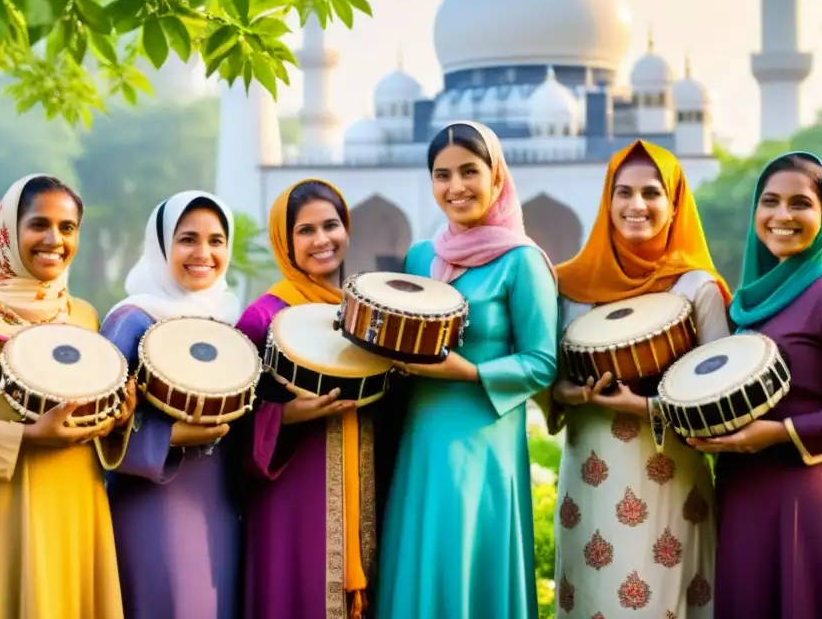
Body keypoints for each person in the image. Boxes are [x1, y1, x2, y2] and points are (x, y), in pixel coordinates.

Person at [688, 152, 822, 619]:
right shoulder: (755, 300)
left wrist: (779, 433)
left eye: (800, 204)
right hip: (748, 493)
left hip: (809, 498)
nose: (782, 216)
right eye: (770, 202)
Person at [0, 174, 131, 619]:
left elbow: (88, 412)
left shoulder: (84, 315)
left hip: (75, 501)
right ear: (9, 230)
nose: (54, 239)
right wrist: (30, 437)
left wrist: (116, 419)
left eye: (67, 228)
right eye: (39, 224)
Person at [375, 121, 559, 619]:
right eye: (442, 175)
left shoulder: (522, 261)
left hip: (483, 434)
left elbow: (542, 362)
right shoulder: (420, 256)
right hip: (420, 431)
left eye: (469, 171)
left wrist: (469, 373)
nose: (455, 187)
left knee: (464, 551)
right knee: (423, 550)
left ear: (496, 176)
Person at [543, 140, 730, 618]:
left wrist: (643, 407)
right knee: (591, 597)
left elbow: (718, 397)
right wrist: (564, 392)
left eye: (651, 192)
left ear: (674, 204)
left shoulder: (696, 287)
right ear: (607, 201)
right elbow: (548, 380)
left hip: (670, 476)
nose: (636, 205)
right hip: (590, 477)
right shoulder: (568, 286)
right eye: (622, 192)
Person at [236, 179, 376, 619]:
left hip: (361, 481)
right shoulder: (263, 317)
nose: (322, 240)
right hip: (292, 494)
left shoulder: (367, 311)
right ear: (285, 239)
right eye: (305, 230)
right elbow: (235, 415)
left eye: (331, 225)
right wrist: (288, 415)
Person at [101, 191, 243, 619]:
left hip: (218, 499)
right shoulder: (132, 320)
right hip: (154, 499)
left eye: (216, 240)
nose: (204, 253)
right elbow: (98, 423)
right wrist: (176, 434)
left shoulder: (230, 318)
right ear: (161, 244)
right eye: (187, 239)